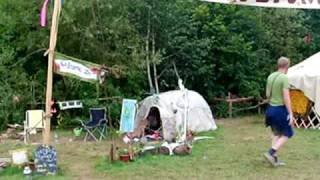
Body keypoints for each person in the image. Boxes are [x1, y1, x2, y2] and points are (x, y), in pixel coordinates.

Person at [264, 57, 294, 167]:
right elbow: (286, 97)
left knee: (276, 133)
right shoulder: (284, 78)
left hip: (270, 109)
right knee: (287, 133)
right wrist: (291, 113)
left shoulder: (270, 76)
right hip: (279, 109)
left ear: (278, 65)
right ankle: (270, 152)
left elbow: (267, 95)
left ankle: (274, 159)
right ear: (287, 66)